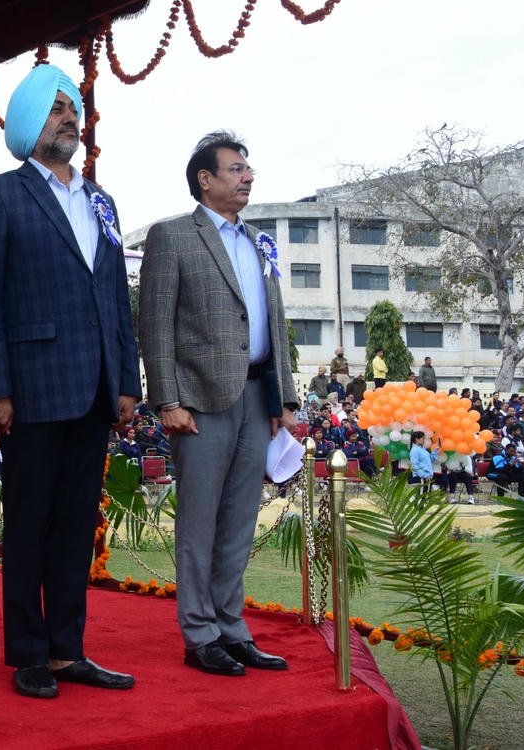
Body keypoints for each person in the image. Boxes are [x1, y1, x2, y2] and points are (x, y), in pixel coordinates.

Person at [0, 63, 140, 699]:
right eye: (56, 108)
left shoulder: (101, 200)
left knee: (74, 527)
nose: (70, 118)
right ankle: (28, 654)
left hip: (95, 387)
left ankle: (68, 651)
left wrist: (127, 381)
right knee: (30, 525)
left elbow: (115, 298)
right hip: (32, 388)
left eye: (74, 109)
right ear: (27, 121)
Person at [138, 130, 298, 678]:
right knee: (200, 522)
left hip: (256, 397)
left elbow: (274, 324)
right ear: (205, 179)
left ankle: (232, 628)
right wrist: (167, 400)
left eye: (248, 169)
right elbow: (155, 324)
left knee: (239, 523)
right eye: (236, 169)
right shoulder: (173, 236)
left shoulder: (259, 242)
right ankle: (200, 634)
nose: (247, 176)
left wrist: (284, 398)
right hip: (200, 401)